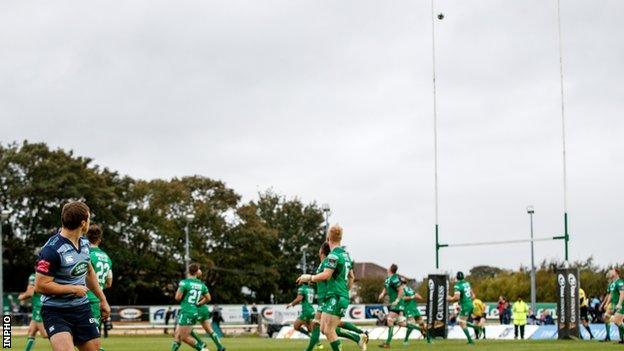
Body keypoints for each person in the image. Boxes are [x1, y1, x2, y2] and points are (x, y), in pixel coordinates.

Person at [34, 201, 111, 351]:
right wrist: (73, 289)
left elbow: (89, 272)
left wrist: (103, 300)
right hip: (55, 311)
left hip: (82, 309)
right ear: (83, 223)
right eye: (89, 219)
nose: (89, 222)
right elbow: (41, 285)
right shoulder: (51, 250)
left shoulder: (85, 243)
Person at [297, 225, 367, 351]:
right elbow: (351, 276)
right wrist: (346, 291)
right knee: (324, 329)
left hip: (336, 296)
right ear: (340, 238)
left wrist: (309, 277)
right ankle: (358, 337)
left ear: (329, 238)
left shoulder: (333, 256)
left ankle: (358, 337)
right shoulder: (345, 256)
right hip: (337, 295)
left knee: (329, 330)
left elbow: (326, 274)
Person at [170, 263, 210, 351]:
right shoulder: (202, 285)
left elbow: (177, 297)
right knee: (177, 334)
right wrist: (198, 303)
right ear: (196, 272)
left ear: (189, 271)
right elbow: (208, 298)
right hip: (194, 311)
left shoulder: (184, 283)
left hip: (186, 311)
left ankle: (202, 349)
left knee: (184, 337)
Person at [85, 224, 113, 351]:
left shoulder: (85, 254)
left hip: (83, 298)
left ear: (86, 237)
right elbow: (109, 283)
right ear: (99, 240)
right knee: (88, 341)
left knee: (89, 343)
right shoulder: (107, 258)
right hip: (98, 300)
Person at [18, 272, 48, 351]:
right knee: (31, 332)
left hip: (39, 307)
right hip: (39, 307)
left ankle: (67, 336)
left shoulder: (33, 276)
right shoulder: (47, 275)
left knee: (45, 334)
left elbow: (30, 292)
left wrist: (21, 297)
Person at [377, 264, 405, 348]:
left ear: (391, 269)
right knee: (402, 323)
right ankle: (423, 330)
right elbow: (385, 288)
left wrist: (397, 300)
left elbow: (401, 290)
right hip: (394, 303)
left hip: (398, 303)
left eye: (389, 266)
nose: (387, 267)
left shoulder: (395, 278)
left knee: (389, 320)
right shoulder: (388, 279)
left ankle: (387, 343)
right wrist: (382, 294)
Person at [447, 271, 479, 344]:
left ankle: (471, 340)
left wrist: (449, 298)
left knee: (461, 322)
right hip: (470, 304)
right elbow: (473, 295)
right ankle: (476, 327)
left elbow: (456, 298)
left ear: (456, 277)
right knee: (462, 321)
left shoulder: (457, 286)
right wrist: (467, 300)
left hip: (465, 306)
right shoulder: (467, 283)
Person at [401, 281, 430, 345]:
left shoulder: (410, 289)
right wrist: (412, 297)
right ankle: (405, 341)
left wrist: (416, 296)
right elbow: (403, 298)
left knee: (422, 324)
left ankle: (429, 340)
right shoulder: (401, 290)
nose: (404, 284)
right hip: (408, 309)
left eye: (404, 283)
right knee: (411, 325)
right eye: (403, 283)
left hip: (415, 309)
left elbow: (419, 297)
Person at [605, 269, 624, 344]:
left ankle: (622, 338)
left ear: (616, 273)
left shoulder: (620, 282)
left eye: (612, 271)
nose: (610, 272)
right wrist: (607, 303)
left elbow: (622, 293)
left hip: (621, 304)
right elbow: (611, 294)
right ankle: (621, 339)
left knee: (616, 321)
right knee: (607, 316)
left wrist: (619, 303)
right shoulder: (613, 283)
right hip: (614, 304)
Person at [600, 270, 616, 342]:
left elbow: (611, 294)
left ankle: (609, 336)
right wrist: (603, 303)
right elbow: (608, 294)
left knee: (618, 320)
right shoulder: (610, 284)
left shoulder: (616, 283)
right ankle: (608, 336)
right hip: (611, 303)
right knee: (606, 317)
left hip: (615, 303)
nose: (608, 279)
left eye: (608, 277)